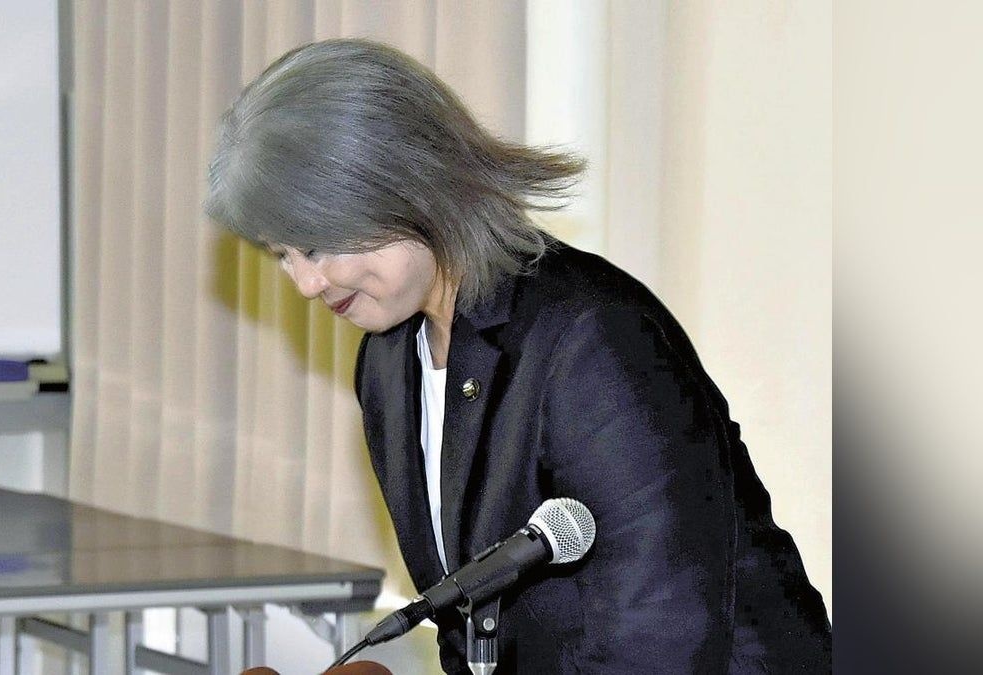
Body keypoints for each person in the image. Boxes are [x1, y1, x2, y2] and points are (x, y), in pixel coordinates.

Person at [206, 38, 831, 673]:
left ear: (405, 184)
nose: (305, 282)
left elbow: (661, 637)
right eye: (281, 254)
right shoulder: (388, 364)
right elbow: (467, 628)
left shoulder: (593, 336)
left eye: (315, 245)